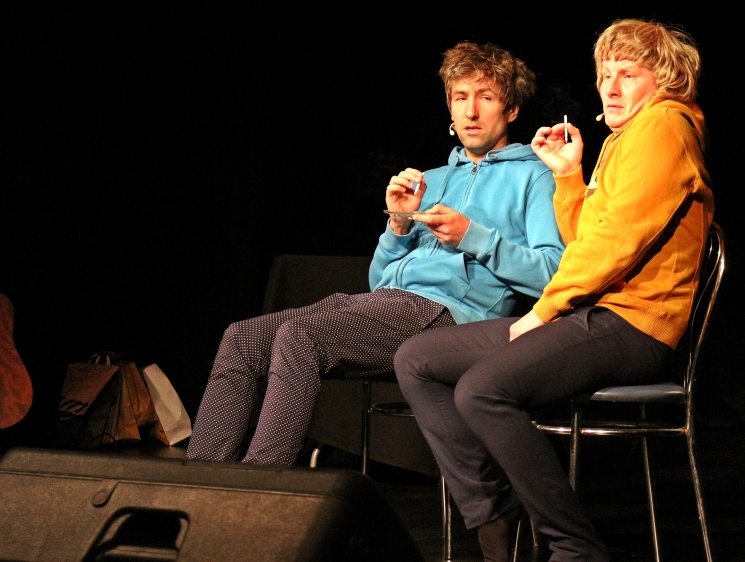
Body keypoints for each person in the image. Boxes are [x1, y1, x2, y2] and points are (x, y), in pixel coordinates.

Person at [394, 18, 714, 562]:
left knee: (481, 390)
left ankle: (574, 548)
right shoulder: (627, 137)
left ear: (663, 80)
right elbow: (586, 238)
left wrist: (543, 311)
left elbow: (613, 246)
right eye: (605, 75)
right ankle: (493, 515)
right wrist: (569, 176)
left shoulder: (663, 127)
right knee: (417, 359)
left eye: (628, 74)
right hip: (595, 315)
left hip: (634, 323)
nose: (611, 88)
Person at [186, 41, 565, 466]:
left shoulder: (536, 176)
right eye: (461, 97)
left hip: (452, 316)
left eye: (486, 97)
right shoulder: (432, 179)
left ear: (511, 109)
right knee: (242, 338)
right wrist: (398, 226)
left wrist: (471, 236)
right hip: (388, 305)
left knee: (300, 337)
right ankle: (200, 485)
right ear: (449, 106)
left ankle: (262, 485)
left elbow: (553, 274)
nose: (471, 112)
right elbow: (379, 281)